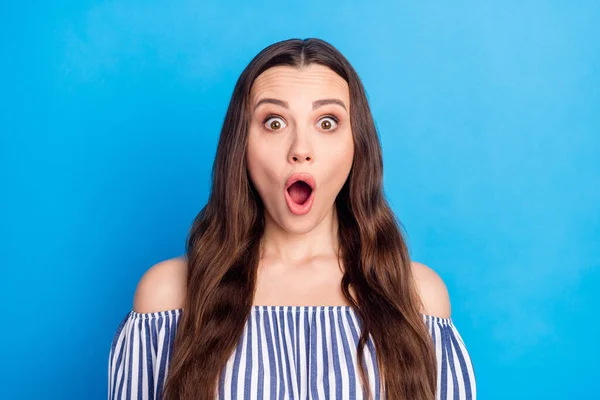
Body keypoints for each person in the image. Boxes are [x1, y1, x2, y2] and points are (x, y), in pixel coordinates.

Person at [108, 38, 476, 400]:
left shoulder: (417, 298)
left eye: (327, 122)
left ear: (357, 146)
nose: (300, 149)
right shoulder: (168, 296)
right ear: (241, 146)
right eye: (274, 122)